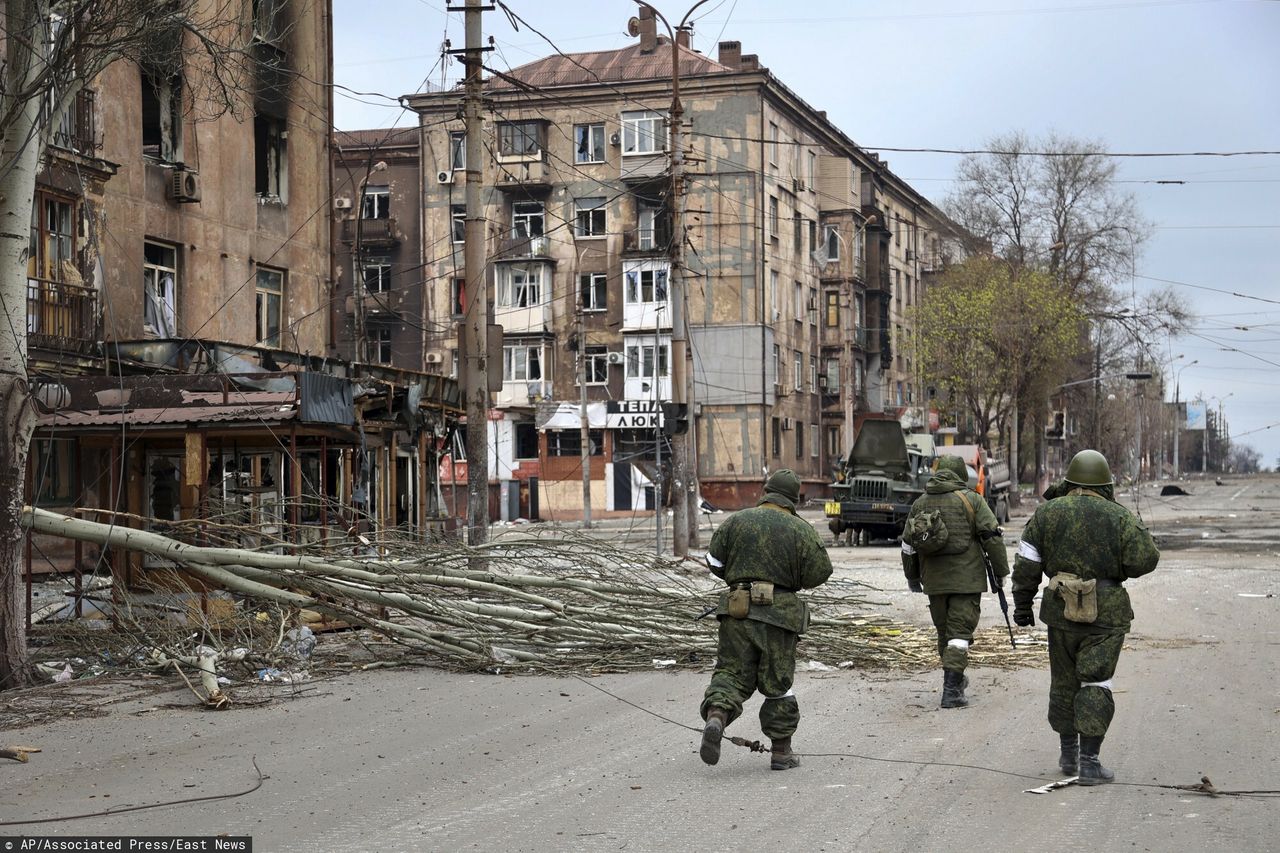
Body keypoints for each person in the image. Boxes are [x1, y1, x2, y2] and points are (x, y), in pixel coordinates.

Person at [1011, 449, 1159, 785]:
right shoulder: (1118, 516)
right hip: (1105, 613)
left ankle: (1068, 754)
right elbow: (1146, 559)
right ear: (1105, 483)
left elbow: (1026, 564)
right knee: (1095, 681)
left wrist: (1023, 605)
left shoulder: (1047, 514)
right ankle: (1090, 763)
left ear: (1071, 479)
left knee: (1064, 681)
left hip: (1060, 611)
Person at [700, 469, 833, 770]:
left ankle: (717, 717)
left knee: (732, 673)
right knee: (778, 683)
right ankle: (781, 752)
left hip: (736, 610)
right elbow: (820, 572)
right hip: (779, 615)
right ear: (794, 498)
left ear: (765, 491)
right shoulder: (801, 529)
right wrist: (790, 579)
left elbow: (713, 561)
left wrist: (739, 578)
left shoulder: (736, 520)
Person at [900, 454, 1009, 708]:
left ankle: (955, 681)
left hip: (934, 582)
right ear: (962, 475)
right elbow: (992, 537)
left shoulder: (920, 503)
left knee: (945, 632)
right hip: (966, 580)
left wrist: (912, 577)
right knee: (959, 634)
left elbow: (908, 545)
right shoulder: (972, 500)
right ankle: (951, 692)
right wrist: (1001, 572)